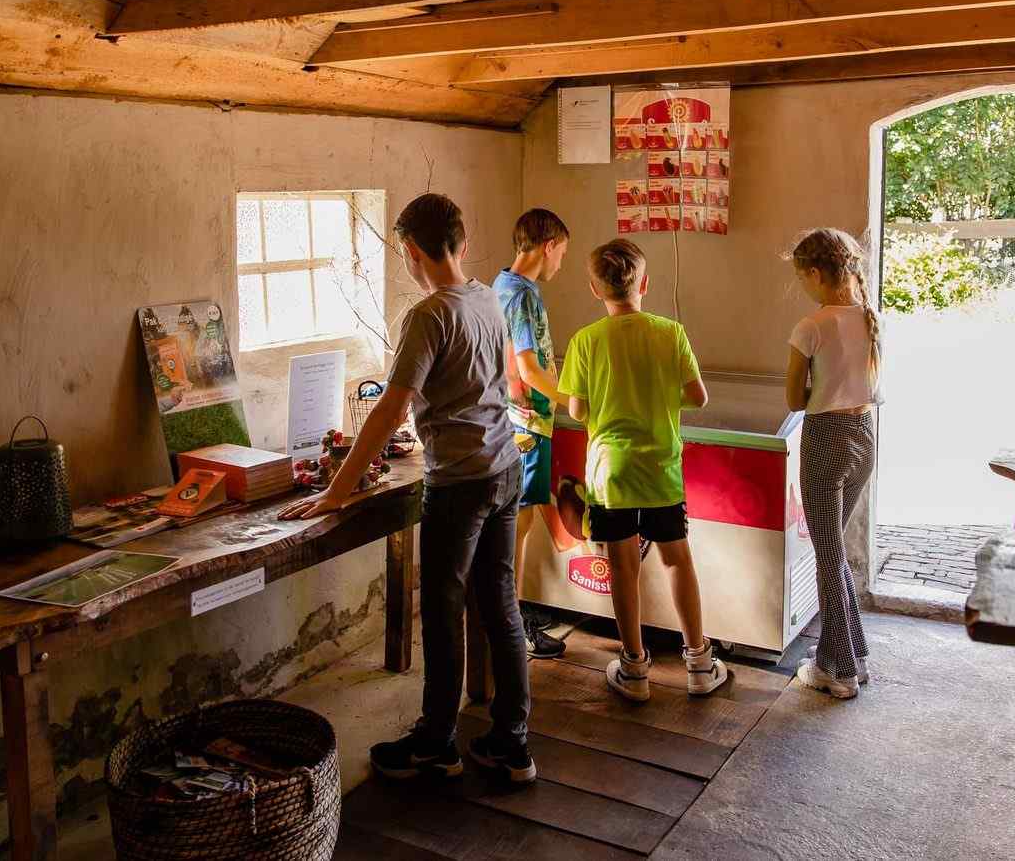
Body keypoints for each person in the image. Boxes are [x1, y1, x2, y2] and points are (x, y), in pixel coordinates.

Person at [280, 193, 534, 783]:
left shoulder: (429, 315)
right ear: (462, 245)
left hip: (460, 484)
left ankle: (436, 745)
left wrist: (336, 492)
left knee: (443, 613)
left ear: (412, 251)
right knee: (500, 605)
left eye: (405, 255)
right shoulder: (487, 299)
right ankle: (512, 742)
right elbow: (483, 384)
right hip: (503, 469)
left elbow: (389, 409)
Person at [557, 238, 729, 701]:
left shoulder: (585, 340)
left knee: (622, 566)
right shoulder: (670, 332)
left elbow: (576, 409)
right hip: (660, 471)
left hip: (610, 474)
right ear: (645, 284)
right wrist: (656, 399)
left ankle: (634, 669)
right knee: (677, 559)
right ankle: (698, 662)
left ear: (595, 289)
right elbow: (698, 397)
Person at [783, 227, 881, 700]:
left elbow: (794, 399)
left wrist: (815, 384)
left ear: (816, 274)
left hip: (824, 439)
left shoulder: (812, 326)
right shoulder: (869, 317)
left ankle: (836, 670)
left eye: (802, 277)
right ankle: (853, 653)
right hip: (864, 437)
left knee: (825, 553)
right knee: (832, 548)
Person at [493, 208, 573, 660]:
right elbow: (528, 366)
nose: (561, 262)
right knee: (518, 528)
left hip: (513, 418)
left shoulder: (500, 285)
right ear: (548, 246)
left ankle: (513, 613)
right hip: (527, 424)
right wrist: (570, 400)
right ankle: (515, 624)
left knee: (517, 526)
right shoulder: (523, 295)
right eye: (561, 252)